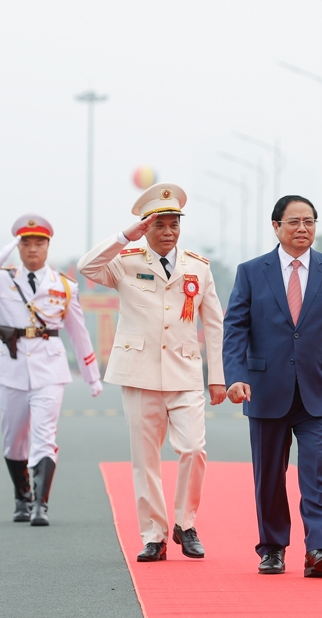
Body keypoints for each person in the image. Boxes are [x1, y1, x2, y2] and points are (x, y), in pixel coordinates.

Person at [78, 183, 226, 562]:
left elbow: (214, 325)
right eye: (160, 224)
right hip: (139, 372)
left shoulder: (199, 267)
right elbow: (87, 267)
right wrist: (125, 236)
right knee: (146, 460)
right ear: (146, 226)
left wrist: (218, 377)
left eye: (174, 223)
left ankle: (186, 523)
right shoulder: (126, 260)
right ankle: (154, 536)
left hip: (185, 372)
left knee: (194, 448)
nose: (168, 231)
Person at [223, 195, 322, 578]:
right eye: (294, 222)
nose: (302, 228)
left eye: (309, 221)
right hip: (265, 389)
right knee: (269, 475)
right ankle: (272, 548)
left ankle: (319, 547)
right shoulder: (252, 272)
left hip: (320, 391)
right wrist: (235, 376)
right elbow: (235, 327)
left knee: (317, 471)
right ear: (276, 227)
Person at [0, 214, 102, 526]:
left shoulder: (65, 286)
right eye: (26, 243)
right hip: (10, 367)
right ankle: (22, 496)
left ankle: (41, 505)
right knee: (13, 440)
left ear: (48, 246)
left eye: (39, 243)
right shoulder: (0, 280)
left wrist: (92, 376)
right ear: (17, 246)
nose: (33, 249)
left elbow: (79, 334)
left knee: (44, 436)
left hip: (49, 368)